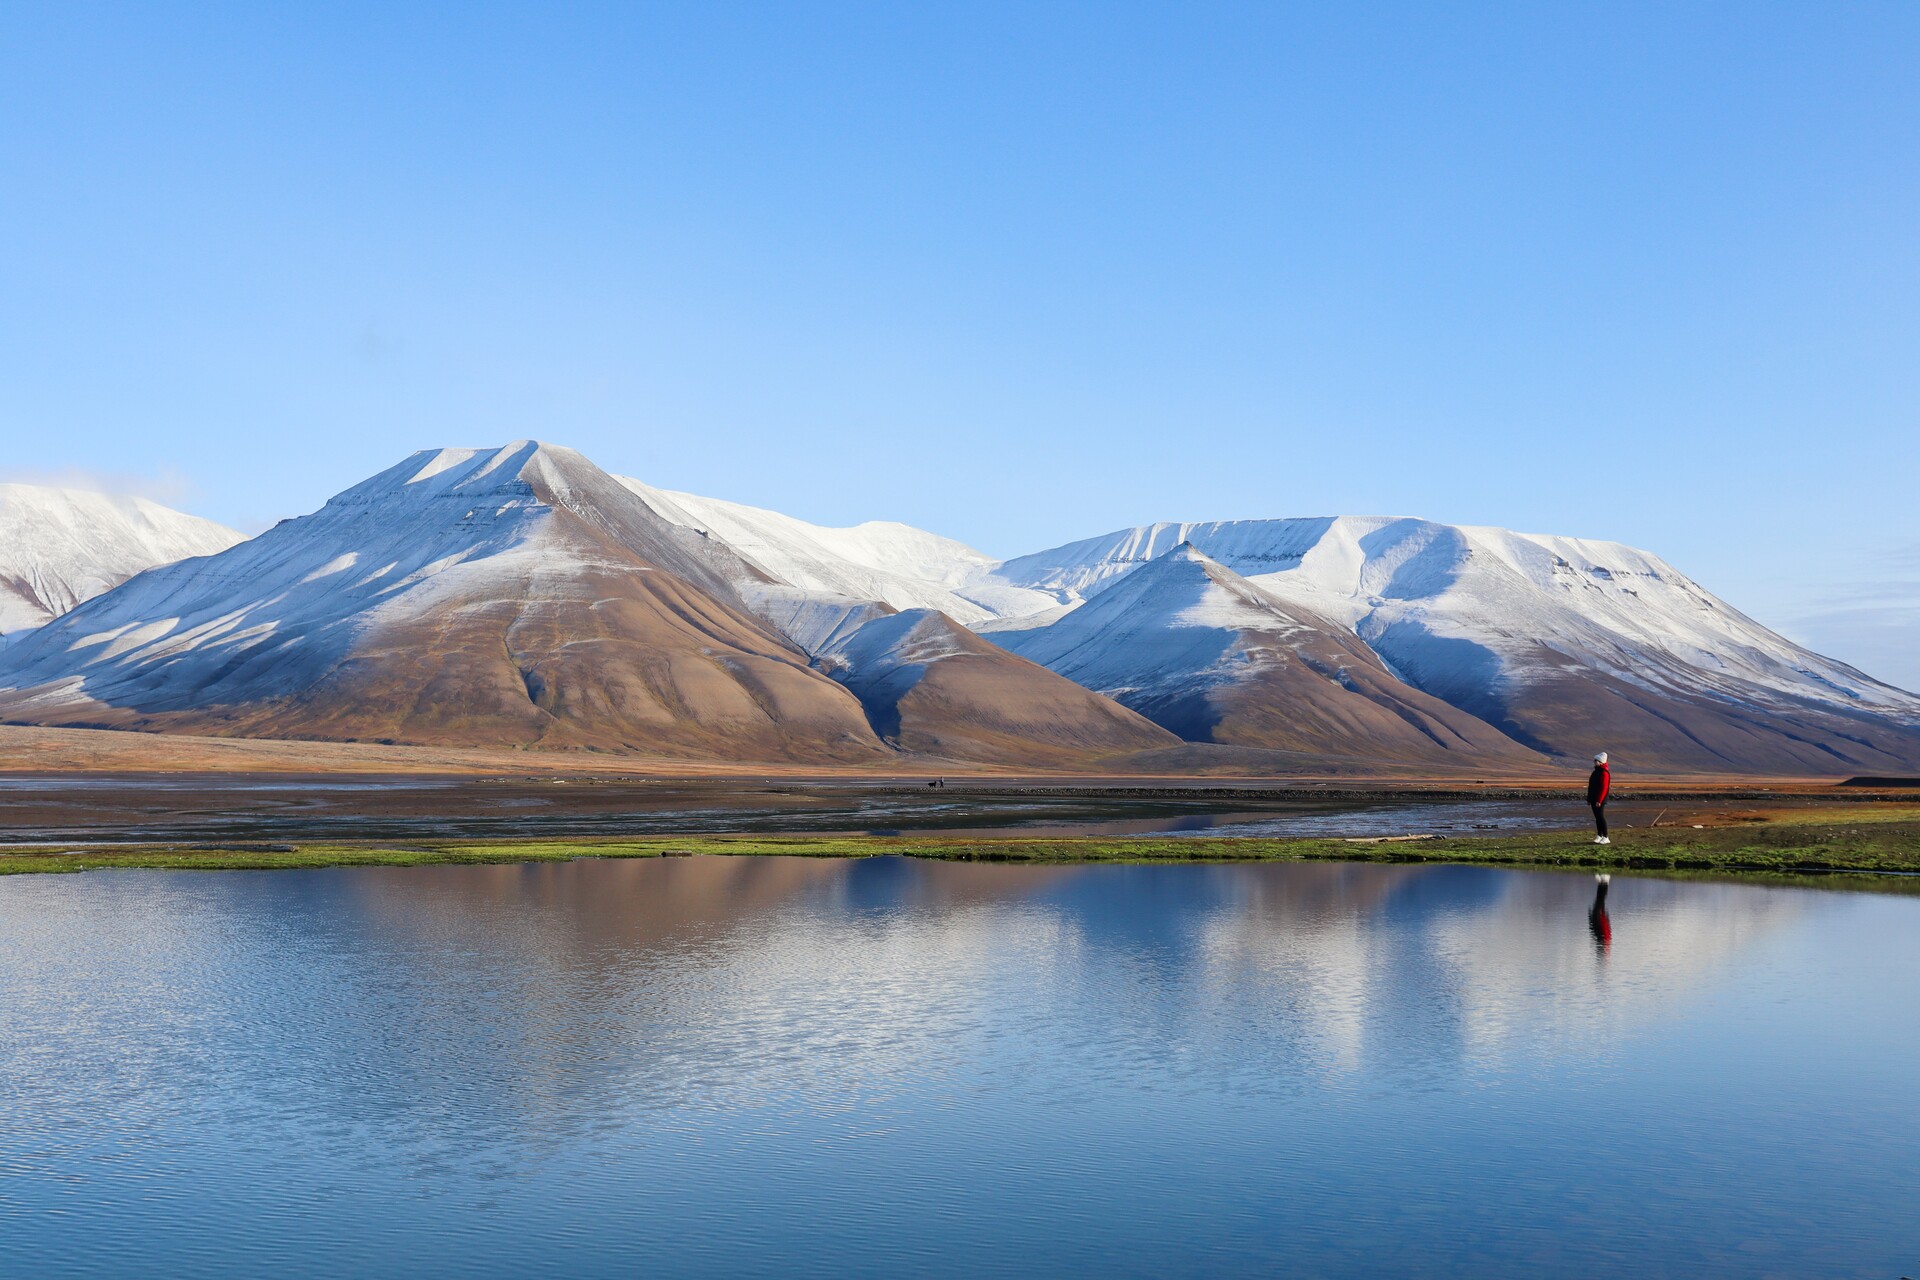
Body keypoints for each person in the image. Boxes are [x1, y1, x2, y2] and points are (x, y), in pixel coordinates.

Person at [1586, 752, 1611, 844]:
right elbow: (1591, 786)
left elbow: (1604, 788)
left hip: (1600, 799)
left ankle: (1606, 836)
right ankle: (1599, 835)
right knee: (1597, 817)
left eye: (1596, 760)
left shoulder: (1604, 773)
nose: (1594, 762)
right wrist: (1589, 799)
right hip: (1594, 798)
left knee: (1600, 817)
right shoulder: (1596, 772)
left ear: (1600, 762)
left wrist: (1599, 800)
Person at [1588, 873, 1612, 952]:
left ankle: (1603, 883)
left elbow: (1606, 926)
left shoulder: (1605, 939)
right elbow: (1594, 927)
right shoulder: (1603, 938)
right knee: (1600, 900)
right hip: (1600, 916)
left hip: (1601, 916)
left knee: (1600, 900)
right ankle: (1603, 883)